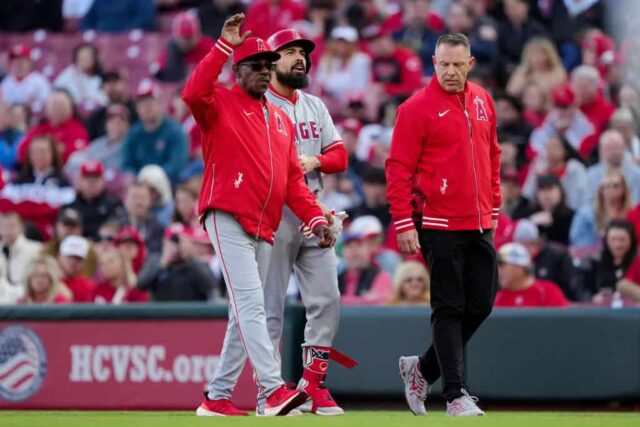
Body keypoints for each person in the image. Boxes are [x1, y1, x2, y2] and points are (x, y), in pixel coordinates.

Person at [182, 14, 335, 417]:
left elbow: (293, 185)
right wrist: (222, 46)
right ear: (238, 71)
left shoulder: (282, 120)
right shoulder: (220, 103)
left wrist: (316, 219)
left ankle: (217, 397)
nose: (266, 73)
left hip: (264, 225)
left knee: (241, 314)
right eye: (257, 66)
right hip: (227, 213)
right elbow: (193, 93)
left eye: (269, 66)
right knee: (252, 305)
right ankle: (272, 390)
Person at [386, 33, 500, 416]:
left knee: (481, 304)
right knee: (449, 306)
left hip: (480, 220)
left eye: (457, 64)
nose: (449, 71)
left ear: (470, 64)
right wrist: (403, 222)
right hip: (437, 219)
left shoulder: (483, 100)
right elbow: (397, 169)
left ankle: (422, 369)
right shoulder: (415, 108)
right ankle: (454, 394)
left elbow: (492, 155)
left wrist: (494, 209)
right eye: (443, 64)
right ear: (433, 62)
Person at [258, 28, 349, 415]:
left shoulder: (314, 105)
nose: (299, 58)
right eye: (289, 51)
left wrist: (315, 161)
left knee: (327, 299)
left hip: (316, 209)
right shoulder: (258, 104)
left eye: (303, 52)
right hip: (274, 214)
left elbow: (340, 155)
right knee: (270, 307)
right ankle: (269, 391)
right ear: (271, 61)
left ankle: (312, 386)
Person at [122, 80, 189, 183]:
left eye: (150, 101)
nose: (147, 106)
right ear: (137, 108)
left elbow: (177, 165)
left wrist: (153, 179)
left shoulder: (175, 131)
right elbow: (126, 164)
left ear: (160, 103)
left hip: (168, 186)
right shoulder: (133, 134)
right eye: (142, 103)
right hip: (139, 185)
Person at [136, 223, 212, 302]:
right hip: (162, 312)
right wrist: (162, 263)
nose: (175, 245)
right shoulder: (156, 260)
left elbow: (210, 285)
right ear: (164, 242)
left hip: (190, 312)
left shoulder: (194, 263)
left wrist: (190, 258)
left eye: (178, 241)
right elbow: (141, 284)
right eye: (171, 241)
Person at [512, 219, 578, 301]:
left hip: (555, 305)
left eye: (524, 245)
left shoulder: (558, 256)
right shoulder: (520, 260)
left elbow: (570, 286)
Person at [494, 242, 569, 308]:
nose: (498, 271)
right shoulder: (497, 299)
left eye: (502, 265)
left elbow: (562, 322)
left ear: (519, 267)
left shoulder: (547, 292)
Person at [65, 160, 124, 240]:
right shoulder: (70, 207)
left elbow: (115, 230)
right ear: (80, 181)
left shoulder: (114, 204)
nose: (91, 182)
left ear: (103, 181)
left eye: (95, 178)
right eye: (87, 178)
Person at [154, 11, 215, 82]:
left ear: (198, 34)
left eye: (190, 36)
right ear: (175, 36)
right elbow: (159, 76)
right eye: (183, 37)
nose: (186, 41)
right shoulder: (169, 52)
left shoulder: (209, 47)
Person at [0, 44, 51, 114]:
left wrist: (32, 106)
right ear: (10, 64)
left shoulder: (40, 81)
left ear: (30, 62)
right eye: (15, 61)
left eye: (22, 60)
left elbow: (47, 104)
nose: (19, 64)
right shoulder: (5, 84)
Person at [53, 43, 107, 108]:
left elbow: (104, 100)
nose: (84, 59)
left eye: (88, 56)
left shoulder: (100, 78)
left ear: (95, 59)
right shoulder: (69, 73)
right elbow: (57, 90)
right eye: (81, 57)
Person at [0, 212, 42, 286]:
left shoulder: (36, 249)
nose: (8, 230)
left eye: (12, 226)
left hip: (26, 293)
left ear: (21, 228)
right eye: (4, 226)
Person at [57, 235, 97, 302]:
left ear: (85, 261)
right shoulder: (47, 282)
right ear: (59, 256)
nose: (73, 261)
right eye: (69, 256)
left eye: (78, 258)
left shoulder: (90, 288)